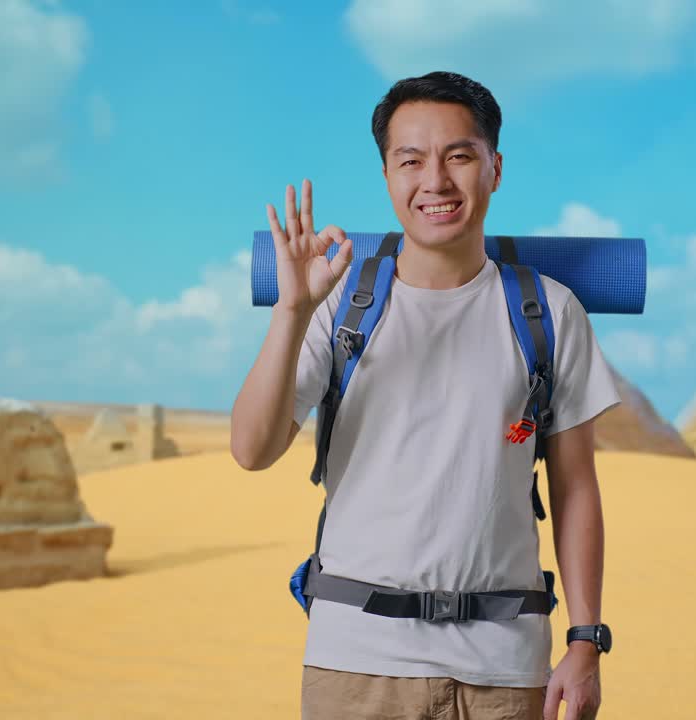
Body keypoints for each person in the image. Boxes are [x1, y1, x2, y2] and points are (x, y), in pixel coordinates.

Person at [231, 71, 620, 720]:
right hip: (356, 663)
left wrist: (586, 641)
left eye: (459, 156)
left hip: (505, 665)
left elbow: (575, 486)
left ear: (494, 168)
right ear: (386, 175)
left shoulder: (549, 313)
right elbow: (251, 448)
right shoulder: (336, 307)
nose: (435, 181)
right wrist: (292, 310)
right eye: (410, 160)